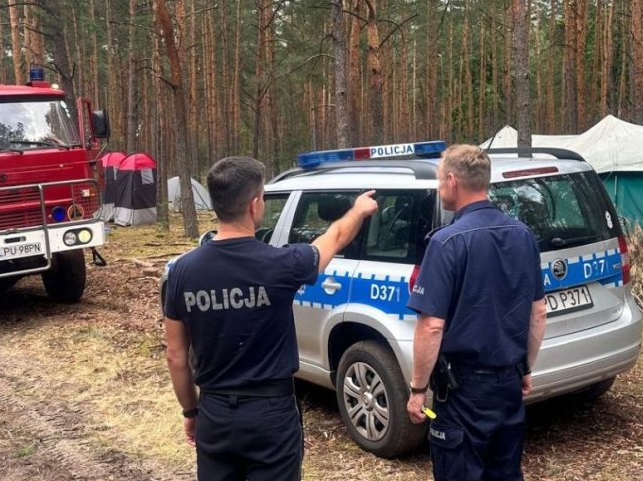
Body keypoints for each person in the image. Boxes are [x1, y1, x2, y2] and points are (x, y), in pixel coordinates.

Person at [164, 156, 378, 481]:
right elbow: (332, 238)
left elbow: (176, 356)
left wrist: (192, 411)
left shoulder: (181, 272)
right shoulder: (281, 264)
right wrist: (359, 209)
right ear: (254, 205)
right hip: (270, 413)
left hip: (214, 411)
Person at [405, 144, 547, 481]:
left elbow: (431, 326)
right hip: (508, 386)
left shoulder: (447, 243)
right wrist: (525, 367)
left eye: (440, 181)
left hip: (463, 392)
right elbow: (538, 313)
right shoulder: (523, 235)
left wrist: (417, 390)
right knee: (505, 472)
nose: (439, 188)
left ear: (453, 181)